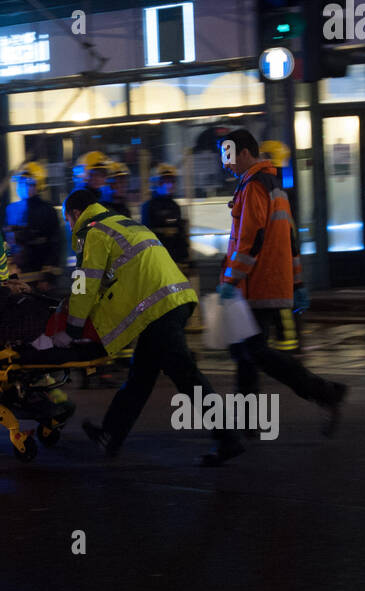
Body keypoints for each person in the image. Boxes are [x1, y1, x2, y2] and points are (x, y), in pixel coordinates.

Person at [65, 190, 244, 466]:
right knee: (140, 377)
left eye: (68, 219)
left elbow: (85, 282)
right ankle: (110, 436)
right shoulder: (122, 222)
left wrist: (74, 325)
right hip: (172, 300)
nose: (69, 225)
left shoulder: (94, 232)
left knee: (186, 376)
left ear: (76, 214)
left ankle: (228, 438)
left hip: (159, 308)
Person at [216, 129, 347, 436]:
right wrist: (298, 283)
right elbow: (289, 240)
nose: (226, 164)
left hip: (254, 286)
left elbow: (249, 240)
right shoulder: (274, 186)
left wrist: (231, 280)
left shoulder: (254, 187)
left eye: (229, 155)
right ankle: (248, 422)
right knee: (247, 354)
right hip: (266, 283)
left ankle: (325, 392)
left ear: (245, 152)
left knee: (256, 353)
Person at [2, 162, 65, 293]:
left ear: (39, 185)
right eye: (20, 182)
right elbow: (5, 242)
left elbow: (55, 245)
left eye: (28, 183)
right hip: (17, 277)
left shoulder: (47, 210)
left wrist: (48, 278)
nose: (23, 186)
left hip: (41, 278)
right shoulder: (11, 210)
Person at [142, 164, 190, 268]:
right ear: (157, 183)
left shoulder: (175, 206)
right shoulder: (149, 206)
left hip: (174, 261)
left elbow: (180, 234)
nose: (171, 185)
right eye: (167, 181)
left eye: (172, 181)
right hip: (157, 262)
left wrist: (185, 258)